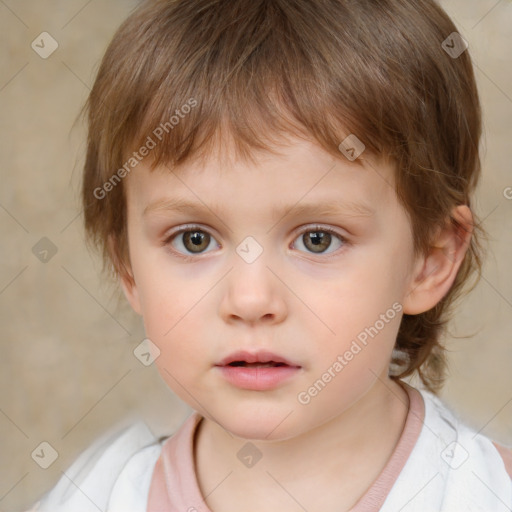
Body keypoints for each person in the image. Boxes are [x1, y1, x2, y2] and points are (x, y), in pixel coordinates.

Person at [28, 0, 512, 510]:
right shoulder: (94, 498)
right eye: (195, 239)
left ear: (429, 259)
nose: (251, 299)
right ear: (129, 268)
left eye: (317, 239)